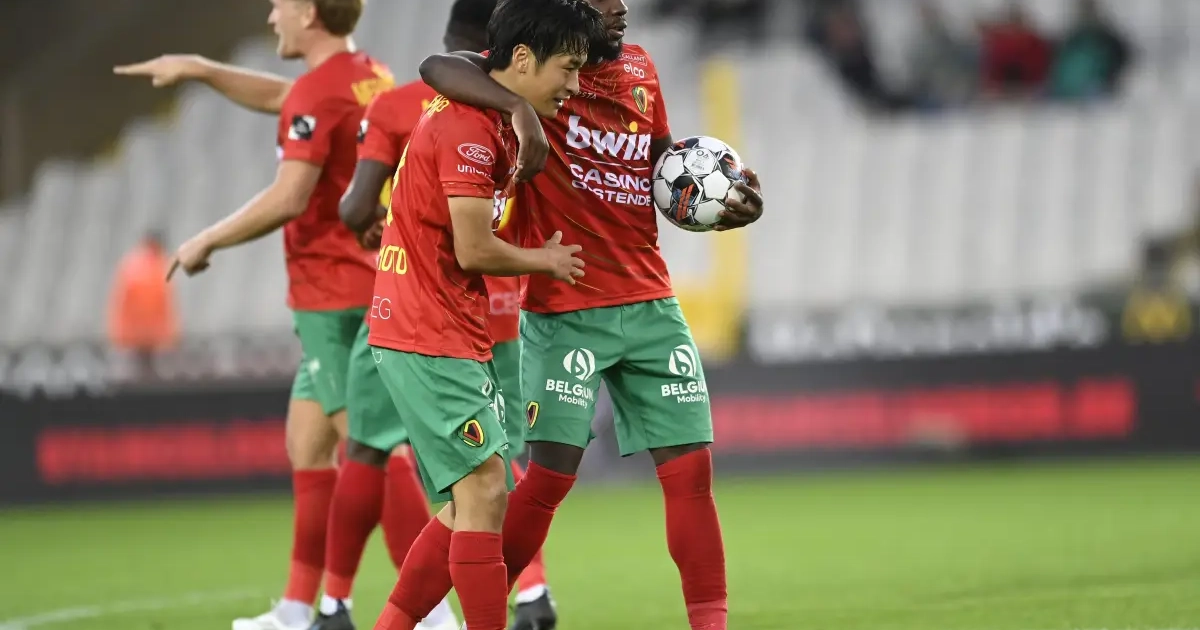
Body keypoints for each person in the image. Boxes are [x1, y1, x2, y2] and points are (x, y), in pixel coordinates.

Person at [399, 1, 766, 630]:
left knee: (692, 475)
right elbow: (437, 65)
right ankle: (438, 615)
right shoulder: (538, 74)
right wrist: (518, 110)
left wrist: (716, 196)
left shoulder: (641, 67)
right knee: (545, 482)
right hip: (564, 307)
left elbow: (659, 166)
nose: (621, 8)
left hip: (650, 302)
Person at [112, 2, 448, 629]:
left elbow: (291, 195)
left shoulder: (321, 91)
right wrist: (203, 69)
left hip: (332, 292)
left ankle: (432, 615)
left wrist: (206, 238)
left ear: (309, 13)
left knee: (372, 448)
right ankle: (296, 610)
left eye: (281, 5)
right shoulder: (368, 73)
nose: (272, 16)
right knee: (308, 443)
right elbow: (286, 99)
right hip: (365, 279)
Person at [366, 1, 598, 629]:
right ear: (522, 59)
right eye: (568, 67)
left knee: (472, 501)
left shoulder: (489, 113)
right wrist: (545, 261)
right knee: (486, 490)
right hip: (424, 330)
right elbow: (473, 248)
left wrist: (521, 111)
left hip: (444, 327)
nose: (575, 84)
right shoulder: (470, 130)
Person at [106, 230, 179, 380]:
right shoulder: (160, 268)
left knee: (130, 381)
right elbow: (165, 309)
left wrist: (118, 336)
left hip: (130, 340)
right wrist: (168, 337)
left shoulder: (130, 265)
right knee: (150, 382)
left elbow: (120, 305)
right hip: (151, 342)